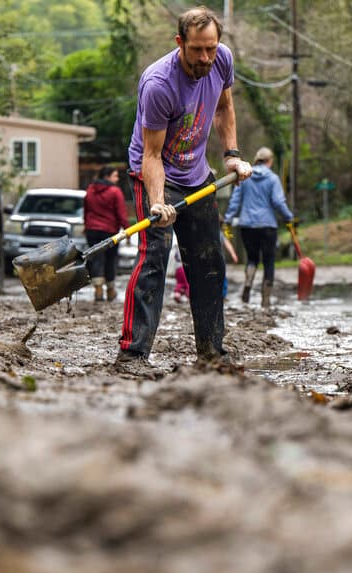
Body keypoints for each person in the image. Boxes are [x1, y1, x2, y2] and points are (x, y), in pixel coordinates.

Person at [117, 6, 252, 373]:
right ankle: (132, 354)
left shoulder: (221, 60)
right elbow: (151, 154)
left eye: (211, 48)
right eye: (197, 50)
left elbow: (224, 107)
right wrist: (158, 202)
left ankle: (211, 352)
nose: (205, 58)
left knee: (209, 262)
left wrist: (232, 156)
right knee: (154, 260)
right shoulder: (158, 84)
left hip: (197, 173)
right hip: (155, 172)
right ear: (180, 43)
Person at [223, 146, 294, 308]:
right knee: (268, 261)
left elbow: (235, 201)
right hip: (267, 225)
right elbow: (278, 202)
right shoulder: (273, 179)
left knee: (252, 258)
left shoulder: (244, 176)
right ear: (270, 161)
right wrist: (288, 217)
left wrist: (228, 219)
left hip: (247, 224)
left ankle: (248, 283)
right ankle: (265, 300)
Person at [83, 165, 130, 302]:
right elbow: (121, 213)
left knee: (96, 258)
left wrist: (86, 226)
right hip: (109, 231)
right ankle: (110, 290)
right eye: (115, 176)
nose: (117, 178)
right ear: (107, 176)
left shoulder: (90, 190)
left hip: (92, 230)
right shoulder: (115, 191)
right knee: (110, 259)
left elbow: (86, 210)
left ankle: (98, 290)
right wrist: (127, 230)